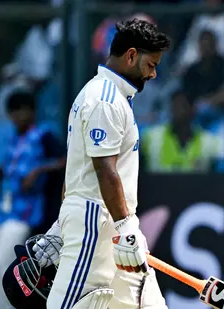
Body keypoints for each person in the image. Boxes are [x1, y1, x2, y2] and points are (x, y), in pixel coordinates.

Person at [33, 19, 171, 309]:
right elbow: (103, 170)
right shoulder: (104, 100)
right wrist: (125, 226)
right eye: (151, 64)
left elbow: (76, 170)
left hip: (115, 227)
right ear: (131, 55)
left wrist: (124, 227)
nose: (154, 73)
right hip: (97, 226)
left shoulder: (112, 97)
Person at [0, 91, 66, 309]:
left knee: (1, 264)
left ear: (31, 111)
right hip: (2, 209)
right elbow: (13, 169)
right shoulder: (13, 138)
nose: (16, 117)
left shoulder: (44, 135)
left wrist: (39, 170)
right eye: (13, 112)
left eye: (21, 111)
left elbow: (65, 159)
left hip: (26, 211)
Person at [141, 90, 221, 173]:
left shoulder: (209, 142)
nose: (177, 111)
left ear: (192, 110)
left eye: (182, 106)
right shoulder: (152, 137)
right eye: (174, 106)